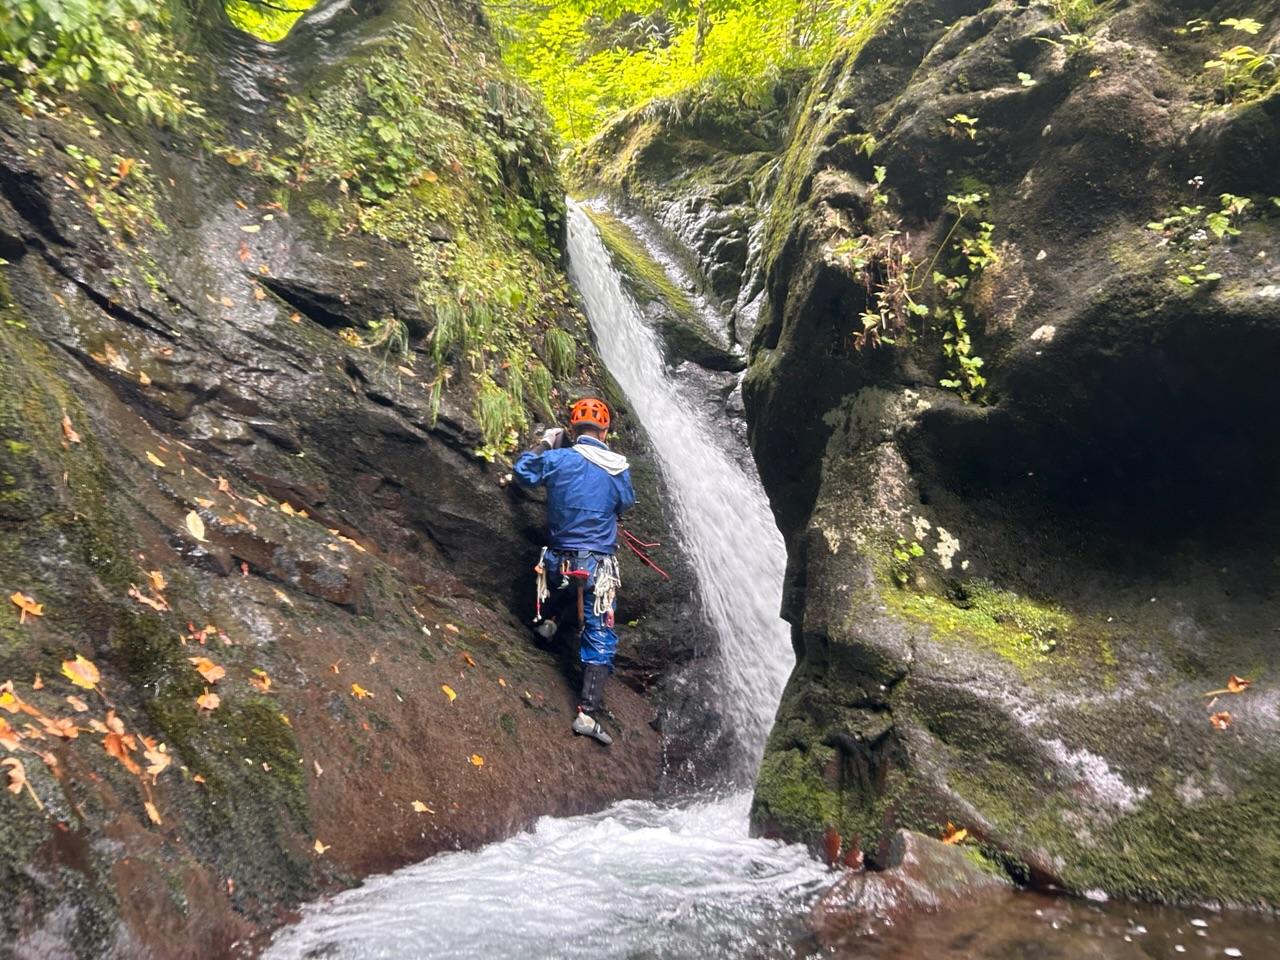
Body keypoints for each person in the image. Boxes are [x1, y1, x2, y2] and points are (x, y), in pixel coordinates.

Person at [512, 397, 635, 746]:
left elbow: (523, 473)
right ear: (605, 431)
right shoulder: (617, 468)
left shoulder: (559, 458)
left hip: (556, 563)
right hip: (597, 565)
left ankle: (549, 624)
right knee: (600, 631)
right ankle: (587, 714)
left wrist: (545, 444)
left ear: (572, 429)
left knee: (566, 585)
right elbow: (625, 503)